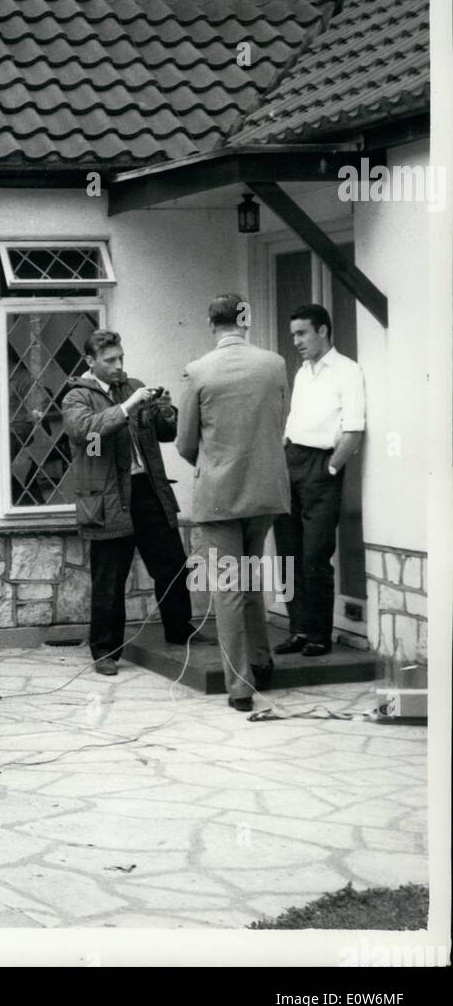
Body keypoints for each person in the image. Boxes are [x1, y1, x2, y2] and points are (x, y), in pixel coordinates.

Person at [62, 329, 202, 676]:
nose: (119, 365)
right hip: (109, 498)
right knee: (110, 577)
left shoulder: (132, 385)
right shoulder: (75, 397)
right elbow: (88, 433)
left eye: (121, 358)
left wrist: (166, 411)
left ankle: (179, 630)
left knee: (172, 564)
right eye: (110, 360)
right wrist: (128, 406)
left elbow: (165, 433)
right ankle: (105, 652)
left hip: (147, 490)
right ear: (90, 362)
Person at [176, 294, 290, 711]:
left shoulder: (198, 371)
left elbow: (186, 442)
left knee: (228, 588)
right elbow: (279, 421)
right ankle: (263, 661)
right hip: (265, 491)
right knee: (253, 576)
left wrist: (212, 462)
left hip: (221, 494)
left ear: (211, 323)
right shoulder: (275, 364)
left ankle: (240, 686)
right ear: (245, 319)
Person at [273, 303, 366, 658]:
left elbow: (354, 429)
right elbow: (294, 420)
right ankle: (298, 630)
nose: (296, 341)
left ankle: (318, 636)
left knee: (314, 555)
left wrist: (330, 469)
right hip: (291, 461)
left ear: (323, 330)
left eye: (302, 333)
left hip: (320, 466)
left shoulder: (347, 371)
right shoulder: (302, 373)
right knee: (288, 554)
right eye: (294, 334)